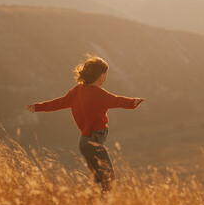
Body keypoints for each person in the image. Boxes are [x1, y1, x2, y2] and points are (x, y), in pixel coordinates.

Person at [25, 55, 144, 193]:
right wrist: (132, 102)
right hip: (95, 140)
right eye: (106, 74)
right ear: (100, 75)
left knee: (98, 180)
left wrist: (39, 106)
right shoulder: (98, 93)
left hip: (84, 142)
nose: (106, 77)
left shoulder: (77, 90)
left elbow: (60, 102)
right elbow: (115, 100)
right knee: (108, 178)